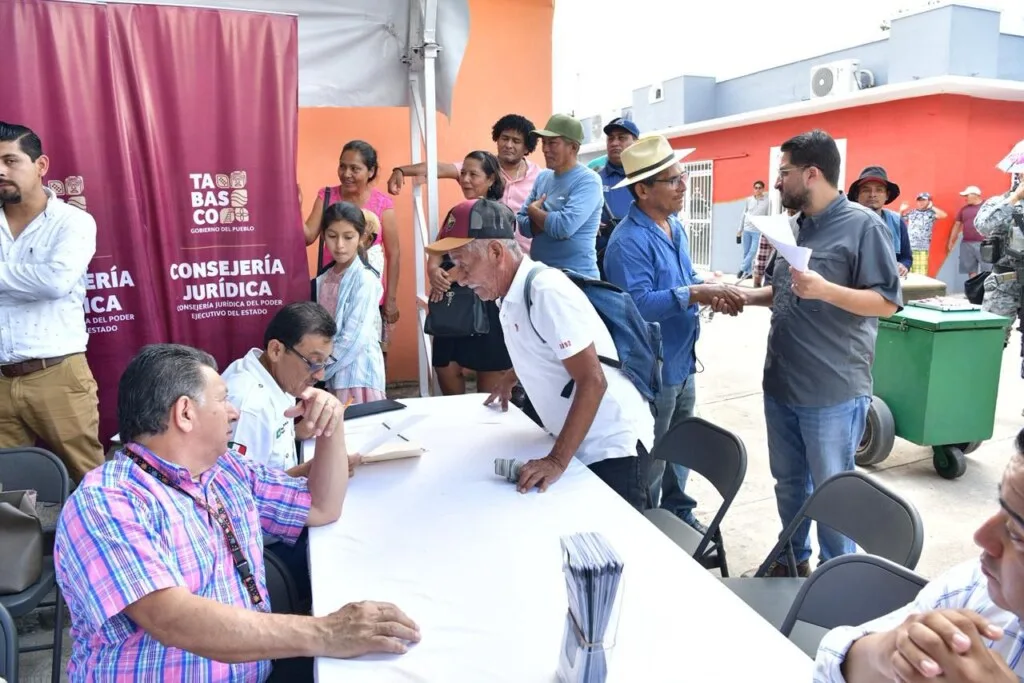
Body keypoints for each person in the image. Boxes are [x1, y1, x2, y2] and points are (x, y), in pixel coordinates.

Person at [53, 344, 419, 681]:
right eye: (223, 399)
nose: (234, 411)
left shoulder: (223, 468)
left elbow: (321, 507)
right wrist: (328, 632)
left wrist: (330, 427)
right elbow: (172, 619)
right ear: (185, 413)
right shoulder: (106, 502)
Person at [732, 130, 902, 576]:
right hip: (782, 382)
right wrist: (744, 297)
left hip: (831, 390)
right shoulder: (794, 225)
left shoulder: (864, 226)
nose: (777, 182)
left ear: (812, 173)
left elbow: (886, 301)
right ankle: (793, 560)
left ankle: (836, 576)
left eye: (784, 172)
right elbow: (785, 290)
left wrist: (827, 290)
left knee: (832, 490)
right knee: (789, 483)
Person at [427, 198, 654, 511]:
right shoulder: (508, 293)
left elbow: (593, 381)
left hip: (611, 448)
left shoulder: (546, 292)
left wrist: (556, 461)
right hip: (578, 443)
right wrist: (512, 376)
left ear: (496, 252)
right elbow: (543, 343)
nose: (461, 279)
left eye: (464, 265)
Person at [602, 135, 743, 531]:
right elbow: (638, 306)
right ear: (643, 190)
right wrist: (695, 293)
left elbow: (685, 278)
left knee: (681, 445)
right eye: (673, 180)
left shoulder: (673, 227)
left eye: (682, 177)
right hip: (652, 369)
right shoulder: (627, 242)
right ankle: (648, 525)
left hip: (681, 360)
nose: (684, 186)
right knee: (653, 454)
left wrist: (708, 288)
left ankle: (679, 510)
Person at [813, 428, 1024, 682]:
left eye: (1017, 533)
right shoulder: (972, 590)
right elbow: (830, 664)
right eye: (1000, 505)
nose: (982, 537)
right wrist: (884, 653)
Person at [0, 120, 104, 483]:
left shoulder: (73, 222)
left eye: (10, 161)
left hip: (57, 373)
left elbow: (55, 282)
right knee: (8, 489)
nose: (1, 171)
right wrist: (29, 277)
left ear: (40, 165)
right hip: (0, 379)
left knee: (90, 478)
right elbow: (42, 280)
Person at [386, 114, 541, 253]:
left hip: (526, 259)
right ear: (497, 139)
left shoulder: (539, 176)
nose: (508, 145)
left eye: (516, 141)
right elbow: (438, 168)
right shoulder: (480, 166)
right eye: (505, 138)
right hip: (485, 257)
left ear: (527, 147)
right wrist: (401, 170)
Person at [427, 151, 513, 395]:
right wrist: (434, 271)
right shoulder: (457, 212)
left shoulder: (501, 215)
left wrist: (454, 274)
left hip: (488, 301)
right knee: (445, 365)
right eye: (463, 173)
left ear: (491, 179)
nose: (465, 179)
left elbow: (497, 259)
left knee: (490, 374)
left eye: (473, 174)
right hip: (453, 302)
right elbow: (437, 248)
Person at [303, 140, 400, 355]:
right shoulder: (326, 196)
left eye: (355, 169)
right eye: (342, 166)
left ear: (371, 171)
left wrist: (391, 300)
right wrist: (294, 205)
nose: (346, 174)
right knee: (327, 350)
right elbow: (307, 236)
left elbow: (394, 254)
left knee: (369, 351)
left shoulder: (383, 205)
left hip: (368, 296)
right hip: (331, 294)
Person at [313, 202, 386, 404]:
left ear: (361, 237)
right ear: (323, 235)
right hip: (332, 375)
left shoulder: (365, 279)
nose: (339, 245)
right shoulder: (323, 279)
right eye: (332, 236)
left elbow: (354, 337)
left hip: (357, 375)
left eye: (348, 237)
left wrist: (320, 369)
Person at [516, 114, 602, 278]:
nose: (545, 149)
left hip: (577, 278)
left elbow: (563, 227)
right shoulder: (543, 177)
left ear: (573, 147)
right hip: (541, 276)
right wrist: (548, 220)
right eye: (544, 142)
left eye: (552, 143)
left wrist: (534, 211)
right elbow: (522, 226)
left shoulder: (589, 181)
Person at [847, 165, 913, 277]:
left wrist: (903, 266)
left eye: (879, 190)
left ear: (887, 195)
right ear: (857, 195)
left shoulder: (897, 222)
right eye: (866, 190)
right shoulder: (845, 223)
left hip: (887, 283)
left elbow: (906, 258)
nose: (872, 195)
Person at [591, 117, 640, 258]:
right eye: (610, 138)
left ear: (636, 142)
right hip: (600, 259)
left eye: (621, 138)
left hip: (637, 256)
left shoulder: (647, 178)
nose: (614, 143)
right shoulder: (593, 179)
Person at [900, 192, 948, 276]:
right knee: (907, 272)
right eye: (919, 200)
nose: (921, 202)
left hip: (922, 248)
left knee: (921, 274)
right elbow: (899, 220)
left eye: (923, 200)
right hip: (909, 247)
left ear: (929, 201)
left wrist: (932, 207)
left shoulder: (931, 213)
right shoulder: (912, 212)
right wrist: (901, 210)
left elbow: (943, 215)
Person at [948, 185, 987, 277]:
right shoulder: (964, 209)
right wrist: (951, 240)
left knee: (987, 269)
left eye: (967, 195)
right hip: (967, 243)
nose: (965, 198)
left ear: (975, 195)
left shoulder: (986, 207)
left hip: (984, 243)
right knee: (971, 270)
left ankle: (986, 286)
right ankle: (973, 286)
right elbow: (957, 225)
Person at [737, 180, 771, 279]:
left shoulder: (768, 201)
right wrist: (740, 230)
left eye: (760, 188)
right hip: (747, 229)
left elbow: (768, 216)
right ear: (754, 189)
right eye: (756, 188)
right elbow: (743, 214)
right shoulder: (749, 200)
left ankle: (742, 268)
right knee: (746, 252)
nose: (757, 190)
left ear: (763, 189)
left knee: (753, 251)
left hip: (757, 230)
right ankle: (748, 273)